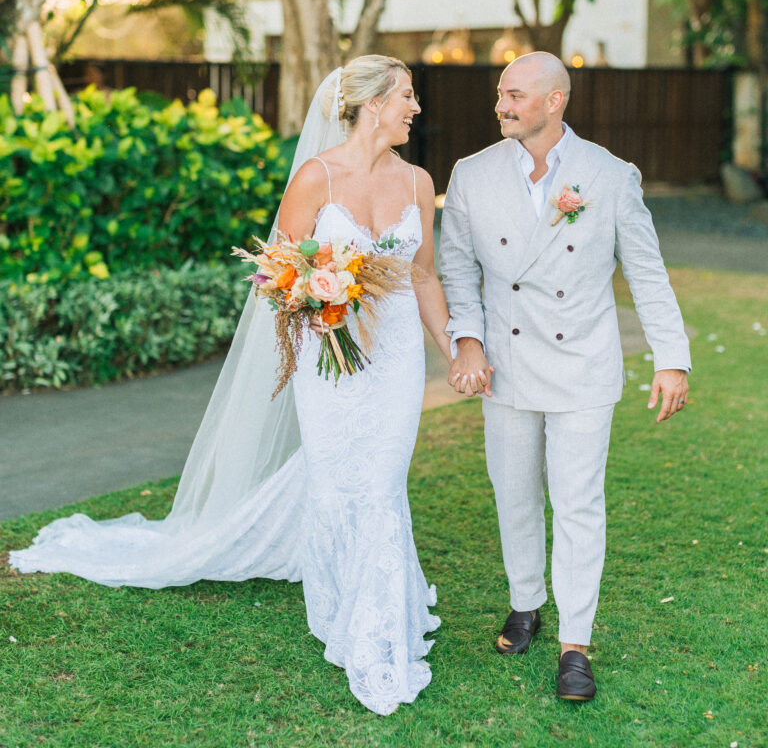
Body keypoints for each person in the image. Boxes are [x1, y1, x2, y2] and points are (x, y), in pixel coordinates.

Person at [10, 55, 452, 716]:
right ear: (370, 103)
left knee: (383, 481)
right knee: (335, 482)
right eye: (407, 97)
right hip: (326, 361)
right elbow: (279, 273)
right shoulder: (316, 176)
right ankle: (339, 612)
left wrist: (458, 349)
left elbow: (422, 276)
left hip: (393, 363)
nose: (416, 108)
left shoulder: (419, 182)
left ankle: (381, 627)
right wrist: (325, 307)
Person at [439, 51, 691, 702]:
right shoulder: (471, 174)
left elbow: (646, 271)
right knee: (514, 492)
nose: (502, 105)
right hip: (508, 363)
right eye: (500, 93)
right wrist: (467, 339)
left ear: (556, 101)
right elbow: (459, 271)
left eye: (516, 94)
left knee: (578, 503)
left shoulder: (609, 175)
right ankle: (526, 601)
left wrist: (671, 357)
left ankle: (574, 642)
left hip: (583, 363)